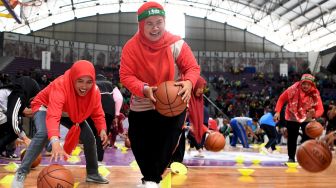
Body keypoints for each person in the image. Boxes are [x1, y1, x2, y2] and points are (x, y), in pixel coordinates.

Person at [119, 2, 200, 187]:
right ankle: (150, 177)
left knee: (166, 142)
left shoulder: (177, 43)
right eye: (149, 23)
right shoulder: (131, 47)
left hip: (174, 100)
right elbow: (125, 75)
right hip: (143, 99)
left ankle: (152, 180)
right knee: (138, 141)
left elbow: (192, 68)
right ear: (141, 25)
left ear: (165, 22)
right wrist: (145, 89)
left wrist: (188, 82)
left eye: (159, 22)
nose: (155, 27)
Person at [12, 60, 109, 188]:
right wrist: (55, 142)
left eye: (89, 82)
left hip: (69, 111)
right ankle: (21, 172)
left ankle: (92, 173)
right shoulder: (61, 85)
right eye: (80, 81)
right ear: (73, 78)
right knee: (44, 133)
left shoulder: (94, 91)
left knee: (89, 137)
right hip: (45, 106)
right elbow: (53, 115)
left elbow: (98, 112)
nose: (84, 86)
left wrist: (102, 129)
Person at [274, 73, 324, 162]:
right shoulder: (292, 89)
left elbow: (320, 109)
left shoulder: (315, 93)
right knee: (292, 137)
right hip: (292, 115)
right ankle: (291, 158)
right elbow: (281, 99)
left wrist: (314, 114)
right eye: (304, 83)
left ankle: (306, 156)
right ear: (301, 83)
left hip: (307, 116)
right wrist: (277, 112)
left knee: (309, 137)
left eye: (308, 84)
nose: (305, 86)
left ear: (312, 85)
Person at [0, 76, 40, 159]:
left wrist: (18, 136)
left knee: (16, 129)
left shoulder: (12, 92)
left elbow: (18, 116)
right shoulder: (19, 94)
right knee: (15, 128)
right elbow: (12, 119)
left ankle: (5, 151)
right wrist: (25, 138)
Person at [86, 76, 123, 165]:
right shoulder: (111, 85)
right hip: (108, 109)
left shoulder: (91, 83)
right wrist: (116, 114)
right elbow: (119, 98)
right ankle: (99, 160)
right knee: (102, 135)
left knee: (91, 134)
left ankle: (91, 160)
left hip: (92, 108)